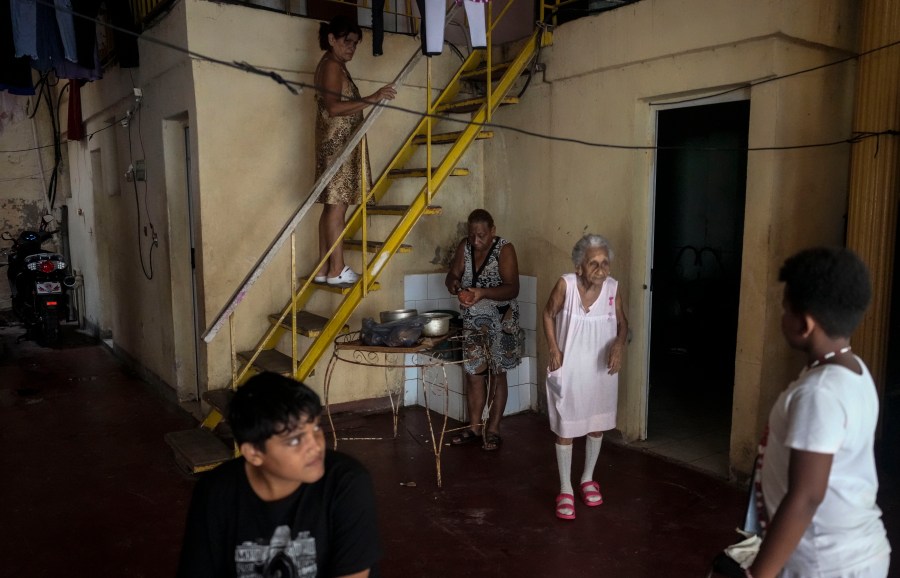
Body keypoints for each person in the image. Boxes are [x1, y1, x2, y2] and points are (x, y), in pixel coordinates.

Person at [747, 247, 891, 578]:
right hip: (850, 555)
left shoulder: (819, 393)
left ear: (805, 325)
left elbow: (807, 496)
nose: (781, 316)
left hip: (829, 564)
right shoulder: (853, 370)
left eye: (785, 309)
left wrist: (759, 574)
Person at [177, 372, 381, 578]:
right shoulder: (216, 492)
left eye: (316, 427)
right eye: (294, 440)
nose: (316, 446)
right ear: (254, 453)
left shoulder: (346, 483)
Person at [542, 234, 627, 520]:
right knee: (565, 427)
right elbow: (548, 313)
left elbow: (622, 323)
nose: (602, 270)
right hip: (571, 366)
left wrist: (618, 344)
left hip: (600, 368)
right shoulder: (565, 285)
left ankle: (587, 479)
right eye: (594, 264)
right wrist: (553, 348)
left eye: (605, 263)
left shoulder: (613, 288)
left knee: (596, 424)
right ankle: (565, 488)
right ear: (579, 266)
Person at [313, 16, 396, 286]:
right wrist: (372, 98)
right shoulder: (331, 66)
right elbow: (334, 107)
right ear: (332, 40)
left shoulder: (333, 65)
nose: (351, 48)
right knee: (337, 208)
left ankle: (326, 269)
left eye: (355, 43)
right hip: (337, 146)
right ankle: (337, 269)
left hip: (337, 144)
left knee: (332, 208)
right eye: (347, 41)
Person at [445, 209, 520, 451]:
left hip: (502, 321)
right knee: (473, 373)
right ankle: (474, 427)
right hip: (473, 322)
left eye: (482, 235)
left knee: (498, 373)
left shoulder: (505, 249)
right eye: (472, 235)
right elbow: (453, 274)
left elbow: (512, 289)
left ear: (493, 231)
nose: (476, 241)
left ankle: (494, 429)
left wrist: (482, 293)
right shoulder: (464, 247)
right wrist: (453, 284)